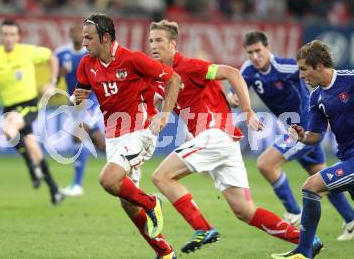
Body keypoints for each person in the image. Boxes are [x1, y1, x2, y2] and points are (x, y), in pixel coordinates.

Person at [148, 20, 323, 256]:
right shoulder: (162, 79)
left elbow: (231, 73)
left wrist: (248, 110)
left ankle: (203, 228)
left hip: (216, 135)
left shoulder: (190, 66)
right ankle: (307, 240)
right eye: (150, 41)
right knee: (244, 211)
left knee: (161, 177)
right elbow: (152, 102)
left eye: (158, 40)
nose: (153, 45)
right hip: (225, 143)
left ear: (173, 44)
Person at [72, 13, 182, 259]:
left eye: (89, 38)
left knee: (108, 180)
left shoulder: (133, 59)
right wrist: (77, 97)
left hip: (140, 131)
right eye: (83, 38)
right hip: (114, 137)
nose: (84, 43)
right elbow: (82, 90)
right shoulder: (86, 64)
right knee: (128, 203)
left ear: (106, 37)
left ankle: (152, 203)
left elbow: (174, 78)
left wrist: (164, 115)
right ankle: (165, 253)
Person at [227, 31, 354, 240]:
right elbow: (237, 87)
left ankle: (294, 211)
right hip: (297, 131)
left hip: (306, 126)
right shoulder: (249, 70)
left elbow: (311, 74)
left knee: (266, 164)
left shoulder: (285, 67)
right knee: (322, 178)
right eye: (250, 52)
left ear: (268, 49)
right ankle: (350, 219)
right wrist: (233, 96)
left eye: (258, 51)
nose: (255, 56)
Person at [271, 40, 354, 259]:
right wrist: (302, 136)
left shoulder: (350, 80)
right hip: (347, 157)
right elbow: (315, 137)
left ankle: (304, 251)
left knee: (311, 186)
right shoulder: (316, 96)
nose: (300, 75)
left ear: (319, 65)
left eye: (303, 69)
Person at [0, 19, 64, 205]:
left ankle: (31, 167)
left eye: (12, 35)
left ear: (18, 37)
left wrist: (52, 81)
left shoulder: (27, 51)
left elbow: (52, 57)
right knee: (33, 146)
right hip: (9, 106)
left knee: (8, 131)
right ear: (1, 36)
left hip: (28, 104)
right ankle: (54, 190)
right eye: (5, 34)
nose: (8, 38)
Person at [54, 24, 105, 197]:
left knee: (77, 134)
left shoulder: (90, 54)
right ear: (70, 33)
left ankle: (77, 185)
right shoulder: (61, 53)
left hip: (91, 101)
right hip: (74, 103)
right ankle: (126, 163)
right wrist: (52, 82)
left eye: (81, 33)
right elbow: (56, 76)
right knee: (99, 142)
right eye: (74, 31)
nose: (78, 35)